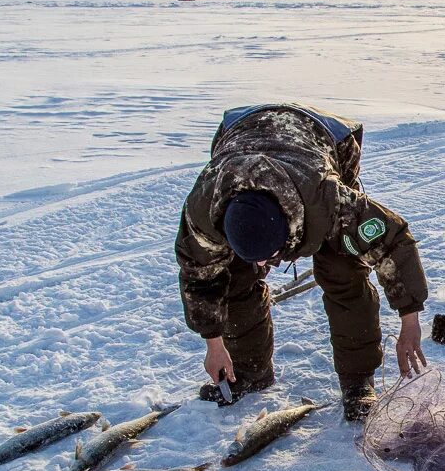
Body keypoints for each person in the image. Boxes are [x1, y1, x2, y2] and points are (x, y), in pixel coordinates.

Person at [175, 103, 429, 420]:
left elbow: (392, 241)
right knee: (233, 277)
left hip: (327, 139)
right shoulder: (204, 210)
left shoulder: (330, 200)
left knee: (342, 271)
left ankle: (357, 383)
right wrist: (214, 345)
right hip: (238, 133)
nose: (272, 266)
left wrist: (409, 321)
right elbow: (200, 278)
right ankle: (249, 371)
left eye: (273, 256)